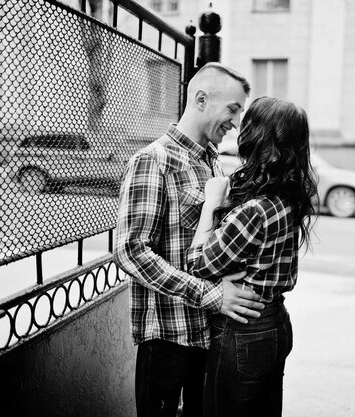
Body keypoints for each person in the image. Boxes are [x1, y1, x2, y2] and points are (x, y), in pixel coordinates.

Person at [113, 62, 265, 417]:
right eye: (232, 109)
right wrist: (211, 295)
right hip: (168, 340)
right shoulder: (154, 161)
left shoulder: (211, 162)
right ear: (200, 99)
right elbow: (131, 252)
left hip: (208, 333)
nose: (236, 122)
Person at [186, 96, 318, 417]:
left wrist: (210, 204)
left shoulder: (254, 211)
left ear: (257, 137)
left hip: (243, 332)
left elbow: (199, 264)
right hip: (275, 323)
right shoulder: (287, 198)